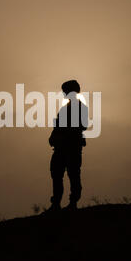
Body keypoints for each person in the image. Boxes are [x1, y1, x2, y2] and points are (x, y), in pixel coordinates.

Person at [46, 80, 88, 212]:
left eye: (66, 91)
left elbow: (82, 125)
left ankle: (72, 203)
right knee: (57, 174)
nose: (64, 93)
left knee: (73, 175)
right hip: (61, 148)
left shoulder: (80, 108)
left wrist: (64, 133)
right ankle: (56, 204)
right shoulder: (65, 109)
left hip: (72, 148)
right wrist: (54, 136)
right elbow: (58, 126)